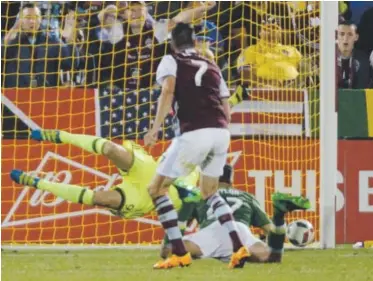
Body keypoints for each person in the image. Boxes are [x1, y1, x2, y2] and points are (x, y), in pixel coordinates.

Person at [144, 23, 247, 270]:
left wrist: (155, 128)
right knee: (209, 191)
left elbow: (168, 90)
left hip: (194, 132)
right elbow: (226, 108)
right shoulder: (211, 65)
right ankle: (238, 247)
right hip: (221, 132)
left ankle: (179, 253)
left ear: (172, 42)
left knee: (157, 189)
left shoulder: (171, 60)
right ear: (194, 41)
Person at [10, 129, 199, 219]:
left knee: (100, 198)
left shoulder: (195, 184)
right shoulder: (193, 153)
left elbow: (194, 207)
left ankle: (38, 183)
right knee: (110, 149)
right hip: (147, 170)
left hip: (147, 197)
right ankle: (59, 136)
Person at [157, 165, 311, 266]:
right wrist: (273, 235)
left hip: (212, 232)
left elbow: (177, 229)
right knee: (273, 257)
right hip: (240, 230)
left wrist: (185, 211)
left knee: (168, 250)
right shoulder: (246, 196)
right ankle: (279, 214)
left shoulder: (202, 195)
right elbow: (268, 229)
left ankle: (186, 203)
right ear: (231, 182)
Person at [2, 3, 79, 88]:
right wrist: (13, 31)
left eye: (36, 17)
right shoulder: (12, 41)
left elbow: (71, 64)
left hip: (45, 96)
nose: (32, 21)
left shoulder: (52, 39)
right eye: (28, 17)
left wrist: (69, 40)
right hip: (14, 96)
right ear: (20, 21)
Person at [236, 19, 302, 88]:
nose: (271, 32)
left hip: (291, 91)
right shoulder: (251, 50)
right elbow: (245, 74)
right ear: (260, 32)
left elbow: (302, 71)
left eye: (275, 28)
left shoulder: (292, 50)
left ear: (280, 32)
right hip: (261, 91)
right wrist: (269, 84)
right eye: (267, 29)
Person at [337, 21, 371, 89]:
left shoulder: (364, 59)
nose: (345, 39)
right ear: (336, 36)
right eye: (342, 34)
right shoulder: (327, 58)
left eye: (350, 34)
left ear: (356, 37)